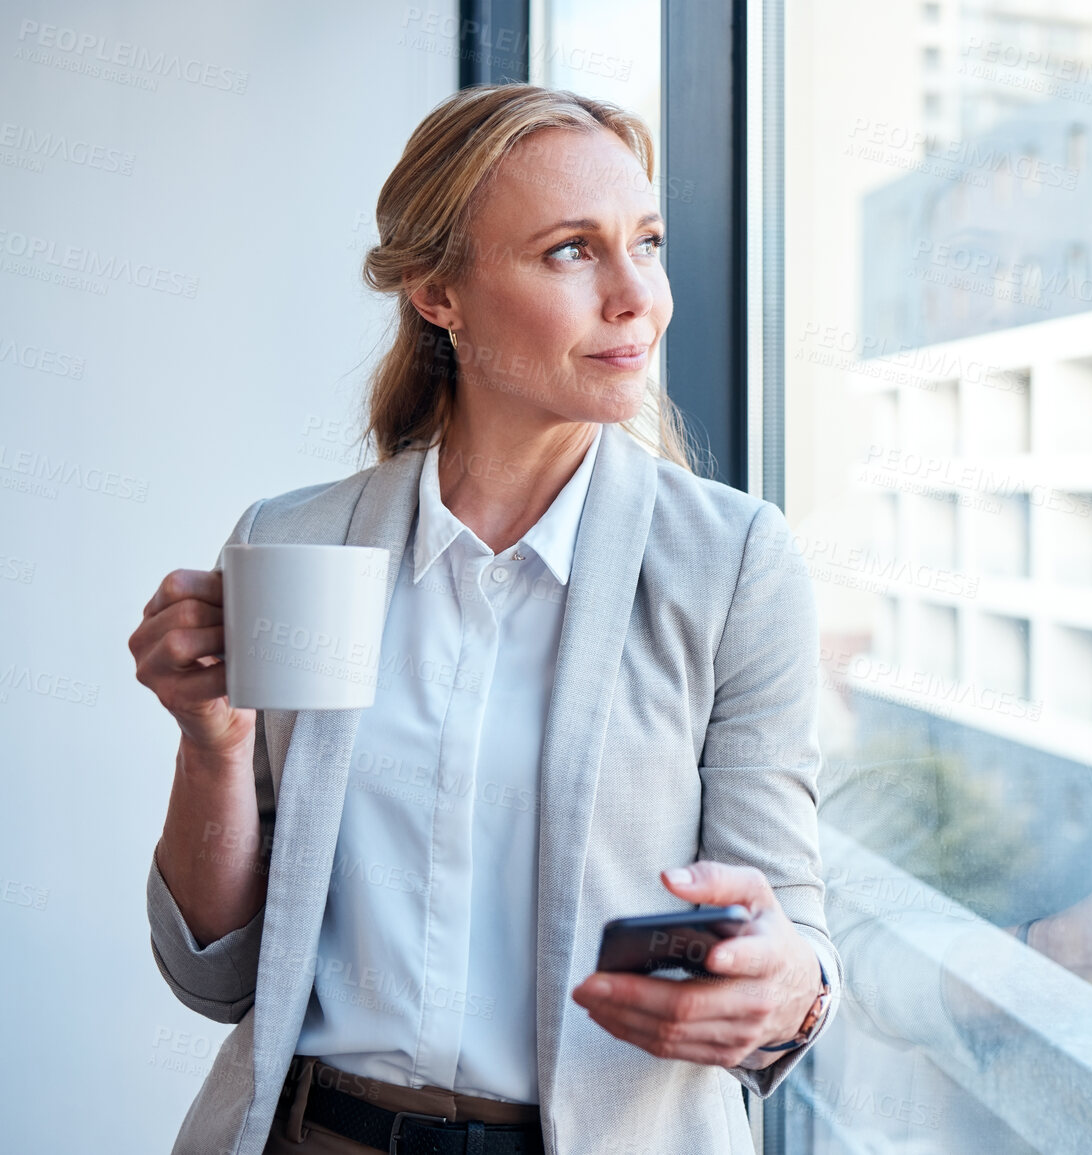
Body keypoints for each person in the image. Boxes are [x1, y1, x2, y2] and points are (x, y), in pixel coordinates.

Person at [128, 85, 836, 1155]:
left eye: (645, 243)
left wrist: (790, 990)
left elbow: (792, 939)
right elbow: (215, 974)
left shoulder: (734, 566)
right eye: (569, 251)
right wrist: (211, 744)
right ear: (437, 293)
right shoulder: (297, 545)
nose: (635, 294)